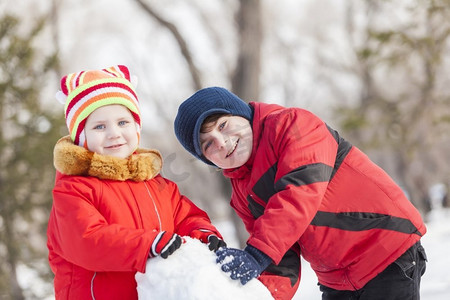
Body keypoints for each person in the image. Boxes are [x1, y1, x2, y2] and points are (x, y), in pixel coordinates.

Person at [174, 86, 428, 300]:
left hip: (384, 249)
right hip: (338, 278)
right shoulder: (242, 194)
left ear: (242, 114)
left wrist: (256, 254)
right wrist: (260, 294)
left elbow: (300, 190)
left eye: (223, 125)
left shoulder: (291, 125)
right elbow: (279, 256)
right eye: (207, 144)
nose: (221, 142)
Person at [47, 66, 226, 300]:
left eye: (123, 122)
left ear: (136, 127)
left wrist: (203, 233)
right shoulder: (73, 189)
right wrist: (147, 244)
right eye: (100, 126)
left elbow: (186, 217)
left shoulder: (157, 185)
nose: (114, 133)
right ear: (82, 137)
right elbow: (87, 240)